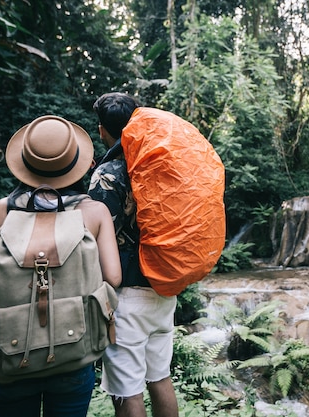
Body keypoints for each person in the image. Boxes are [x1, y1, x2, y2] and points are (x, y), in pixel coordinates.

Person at [0, 114, 122, 417]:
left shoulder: (3, 210)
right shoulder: (94, 212)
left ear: (24, 162)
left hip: (10, 351)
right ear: (76, 164)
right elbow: (113, 277)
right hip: (72, 352)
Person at [88, 93, 179, 417]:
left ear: (102, 130)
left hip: (126, 292)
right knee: (160, 377)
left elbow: (96, 235)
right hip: (163, 285)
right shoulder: (160, 164)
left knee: (127, 391)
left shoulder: (110, 172)